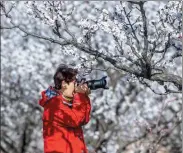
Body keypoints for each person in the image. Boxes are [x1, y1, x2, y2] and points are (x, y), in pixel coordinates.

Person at [38, 64, 91, 153]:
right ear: (64, 84)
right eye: (74, 83)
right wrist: (80, 96)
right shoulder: (54, 105)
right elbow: (75, 120)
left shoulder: (66, 103)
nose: (76, 87)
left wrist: (84, 97)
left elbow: (84, 119)